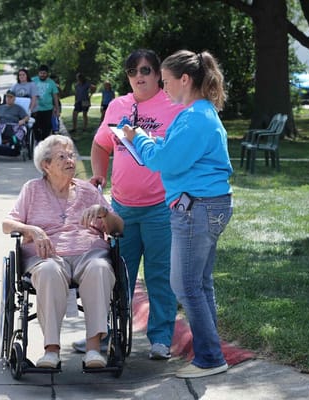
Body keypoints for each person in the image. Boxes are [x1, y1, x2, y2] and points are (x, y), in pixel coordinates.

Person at [123, 50, 233, 379]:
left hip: (195, 208)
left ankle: (210, 358)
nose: (164, 87)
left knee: (184, 285)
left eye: (167, 81)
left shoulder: (195, 117)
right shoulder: (197, 113)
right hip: (204, 205)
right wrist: (151, 142)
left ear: (185, 80)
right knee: (199, 284)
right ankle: (210, 353)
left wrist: (140, 138)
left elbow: (164, 163)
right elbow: (174, 153)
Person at [74, 49, 183, 361]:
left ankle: (161, 339)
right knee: (116, 275)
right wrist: (97, 174)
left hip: (161, 207)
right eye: (133, 70)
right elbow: (100, 144)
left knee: (160, 275)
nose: (140, 76)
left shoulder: (173, 107)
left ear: (158, 74)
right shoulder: (118, 106)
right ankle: (104, 334)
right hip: (122, 208)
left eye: (146, 70)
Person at [2, 134, 124, 369]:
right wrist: (32, 230)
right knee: (48, 271)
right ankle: (51, 350)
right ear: (46, 165)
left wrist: (104, 213)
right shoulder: (32, 189)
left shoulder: (88, 191)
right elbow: (7, 224)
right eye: (62, 156)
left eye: (71, 155)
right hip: (47, 256)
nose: (70, 160)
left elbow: (119, 228)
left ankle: (93, 349)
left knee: (100, 268)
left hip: (89, 254)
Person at [32, 65, 60, 142]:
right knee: (35, 127)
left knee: (47, 128)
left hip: (47, 109)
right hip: (35, 109)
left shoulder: (51, 83)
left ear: (47, 73)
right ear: (38, 73)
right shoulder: (33, 80)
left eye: (44, 73)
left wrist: (57, 109)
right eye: (41, 73)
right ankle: (37, 141)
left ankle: (43, 143)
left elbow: (55, 97)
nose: (42, 75)